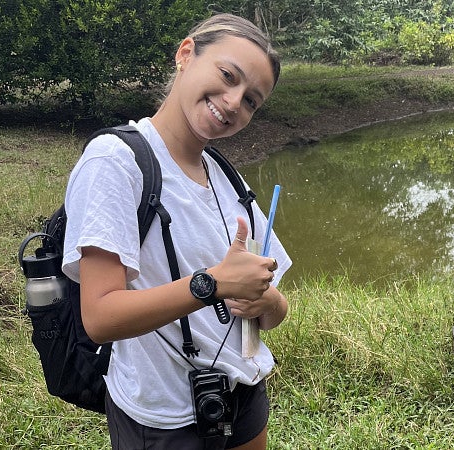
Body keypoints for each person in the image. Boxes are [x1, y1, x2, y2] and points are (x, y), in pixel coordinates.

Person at [62, 13, 291, 450]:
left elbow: (273, 313)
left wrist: (266, 298)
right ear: (187, 54)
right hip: (165, 416)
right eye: (228, 76)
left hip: (243, 392)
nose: (233, 102)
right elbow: (99, 317)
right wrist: (212, 284)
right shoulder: (115, 162)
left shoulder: (227, 178)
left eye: (251, 101)